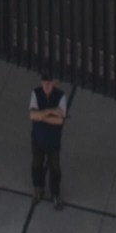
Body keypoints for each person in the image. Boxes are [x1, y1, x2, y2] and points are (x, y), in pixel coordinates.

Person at [28, 72, 68, 209]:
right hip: (38, 139)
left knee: (55, 169)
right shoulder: (35, 93)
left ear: (53, 83)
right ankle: (38, 189)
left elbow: (59, 120)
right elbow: (32, 114)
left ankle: (55, 195)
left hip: (53, 142)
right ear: (41, 82)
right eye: (44, 83)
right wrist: (51, 111)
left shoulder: (61, 96)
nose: (46, 86)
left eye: (49, 83)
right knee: (36, 165)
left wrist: (41, 116)